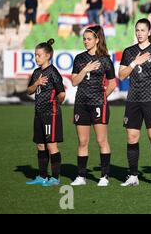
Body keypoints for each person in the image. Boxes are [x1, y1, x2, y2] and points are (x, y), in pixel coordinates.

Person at [119, 19, 151, 187]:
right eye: (137, 30)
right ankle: (133, 176)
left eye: (142, 30)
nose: (139, 33)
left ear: (149, 32)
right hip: (133, 100)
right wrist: (135, 62)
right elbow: (121, 75)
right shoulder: (128, 52)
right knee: (132, 137)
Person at [70, 25, 117, 187]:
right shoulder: (79, 58)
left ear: (97, 40)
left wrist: (102, 97)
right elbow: (74, 81)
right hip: (81, 104)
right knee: (82, 141)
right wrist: (86, 69)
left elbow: (112, 84)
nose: (86, 42)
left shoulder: (105, 60)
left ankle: (104, 177)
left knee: (101, 140)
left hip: (98, 104)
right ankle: (81, 176)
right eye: (84, 39)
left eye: (89, 39)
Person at [25, 39, 65, 187]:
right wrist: (36, 83)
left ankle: (55, 178)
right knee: (40, 146)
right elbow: (29, 91)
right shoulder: (36, 73)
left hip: (51, 114)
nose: (36, 58)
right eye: (35, 55)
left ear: (48, 56)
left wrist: (54, 105)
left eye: (39, 55)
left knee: (51, 146)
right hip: (38, 113)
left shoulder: (53, 72)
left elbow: (62, 94)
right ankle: (42, 176)